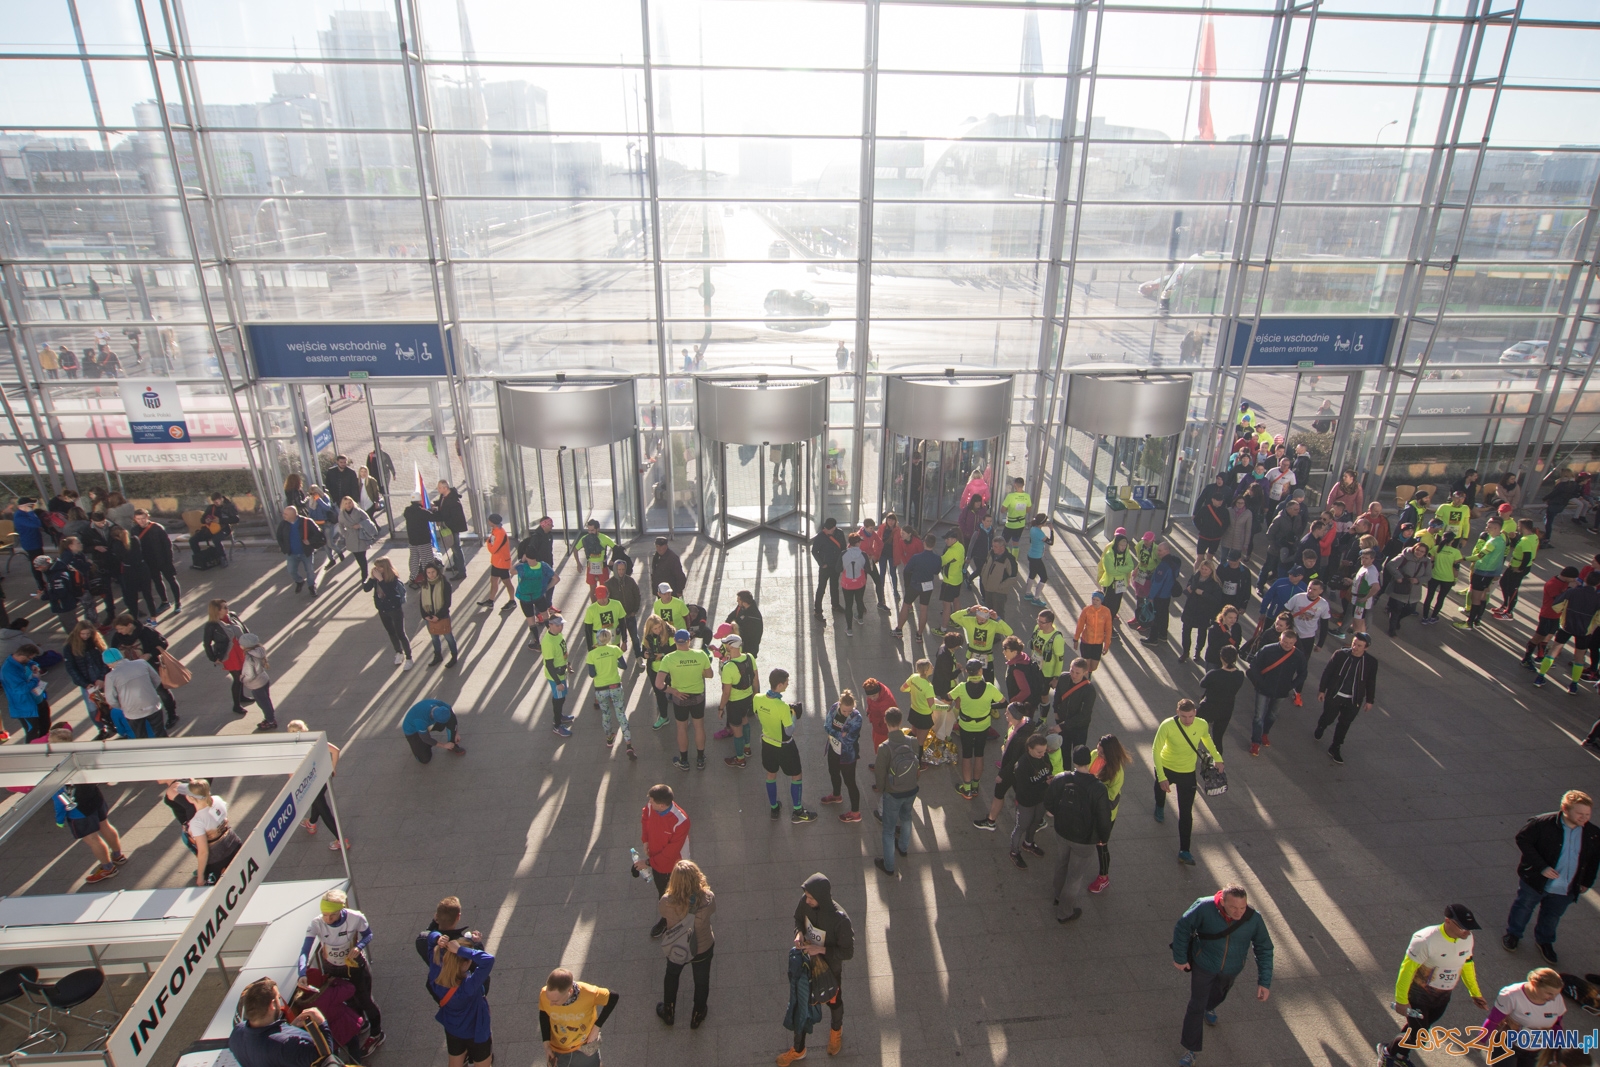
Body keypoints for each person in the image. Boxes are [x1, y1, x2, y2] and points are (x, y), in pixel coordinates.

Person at [1170, 884, 1274, 1066]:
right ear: (1222, 901)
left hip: (1232, 968)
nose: (1239, 912)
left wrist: (1264, 982)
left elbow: (1264, 948)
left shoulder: (1254, 919)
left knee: (1220, 993)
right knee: (1196, 1005)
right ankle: (1191, 1049)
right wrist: (1179, 957)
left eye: (1242, 907)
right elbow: (1183, 927)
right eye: (1234, 907)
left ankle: (1209, 1006)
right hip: (1204, 964)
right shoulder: (1204, 906)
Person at [1375, 904, 1486, 1067]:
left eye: (1470, 928)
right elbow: (1407, 970)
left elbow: (1467, 964)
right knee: (1419, 1036)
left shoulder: (1467, 939)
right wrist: (1401, 1000)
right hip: (1419, 997)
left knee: (1418, 1029)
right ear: (1448, 921)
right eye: (1463, 928)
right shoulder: (1425, 940)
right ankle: (1387, 1055)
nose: (1468, 932)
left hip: (1443, 997)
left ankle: (1397, 1054)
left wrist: (1474, 992)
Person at [1503, 790, 1599, 964]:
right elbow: (1523, 839)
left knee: (1552, 915)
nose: (1584, 818)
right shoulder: (1541, 823)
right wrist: (1542, 867)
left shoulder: (1593, 833)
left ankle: (1544, 941)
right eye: (1579, 813)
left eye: (1587, 814)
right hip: (1536, 881)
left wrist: (1586, 882)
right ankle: (1513, 934)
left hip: (1567, 887)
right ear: (1565, 809)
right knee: (1523, 907)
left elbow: (1593, 860)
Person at [776, 873, 852, 1064]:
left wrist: (822, 949)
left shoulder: (840, 920)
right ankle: (798, 1049)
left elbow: (848, 952)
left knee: (834, 1001)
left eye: (810, 897)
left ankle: (836, 1032)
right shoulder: (805, 902)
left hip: (829, 970)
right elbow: (797, 919)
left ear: (821, 898)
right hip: (806, 965)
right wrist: (799, 933)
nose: (806, 900)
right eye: (806, 896)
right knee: (801, 1005)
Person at [297, 889, 379, 1046]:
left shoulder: (355, 917)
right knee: (347, 1000)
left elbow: (368, 934)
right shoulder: (316, 923)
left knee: (365, 1000)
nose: (327, 919)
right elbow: (304, 950)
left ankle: (376, 1033)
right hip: (332, 968)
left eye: (332, 915)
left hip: (355, 966)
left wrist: (359, 947)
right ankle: (361, 1023)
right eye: (324, 915)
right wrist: (301, 972)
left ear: (341, 910)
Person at [1152, 699, 1223, 865]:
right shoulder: (1167, 725)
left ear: (1195, 713)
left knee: (1185, 812)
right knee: (1159, 791)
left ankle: (1184, 850)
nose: (1187, 721)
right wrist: (1162, 777)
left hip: (1187, 773)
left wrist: (1218, 758)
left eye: (1191, 716)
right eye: (1183, 716)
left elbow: (1206, 739)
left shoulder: (1202, 724)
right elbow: (1156, 749)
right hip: (1167, 767)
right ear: (1177, 713)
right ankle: (1160, 806)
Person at [1045, 745, 1111, 923]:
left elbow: (1049, 802)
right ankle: (1065, 912)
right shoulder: (1098, 788)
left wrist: (1057, 814)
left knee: (1061, 864)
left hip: (1062, 831)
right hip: (1085, 839)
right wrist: (1103, 838)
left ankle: (1058, 897)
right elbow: (1104, 817)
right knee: (1075, 876)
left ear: (1074, 761)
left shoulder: (1061, 779)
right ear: (1089, 762)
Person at [656, 860, 715, 1030]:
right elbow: (713, 910)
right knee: (702, 981)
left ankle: (668, 1011)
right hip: (702, 947)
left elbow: (662, 913)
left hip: (677, 947)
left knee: (672, 975)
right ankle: (697, 1014)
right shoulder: (707, 897)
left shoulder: (666, 901)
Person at [425, 929, 496, 1067]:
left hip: (453, 1029)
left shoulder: (436, 976)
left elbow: (429, 938)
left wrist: (438, 938)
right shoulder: (468, 988)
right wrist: (461, 950)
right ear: (465, 964)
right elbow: (488, 960)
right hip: (477, 1033)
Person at [756, 668, 816, 823]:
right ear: (780, 684)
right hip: (785, 747)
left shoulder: (757, 698)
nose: (788, 685)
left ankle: (774, 807)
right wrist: (794, 714)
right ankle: (798, 812)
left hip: (767, 743)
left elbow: (758, 715)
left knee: (771, 774)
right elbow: (789, 731)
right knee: (796, 775)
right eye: (787, 683)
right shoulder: (782, 707)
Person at [229, 977, 328, 1067]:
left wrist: (290, 1028)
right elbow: (325, 1060)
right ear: (272, 1005)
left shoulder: (236, 1034)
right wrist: (322, 1023)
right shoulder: (286, 1045)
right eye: (278, 998)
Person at [976, 701, 1040, 833]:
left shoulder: (1018, 737)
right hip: (1020, 770)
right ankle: (1037, 820)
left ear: (1015, 716)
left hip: (1010, 771)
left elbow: (1012, 759)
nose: (1005, 714)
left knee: (998, 794)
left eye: (1008, 713)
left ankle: (991, 821)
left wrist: (1002, 775)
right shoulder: (1025, 725)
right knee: (1022, 795)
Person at [1314, 634, 1378, 764]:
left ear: (1366, 648)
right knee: (1329, 717)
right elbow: (1328, 672)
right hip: (1335, 695)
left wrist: (1370, 700)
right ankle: (1322, 725)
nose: (1355, 647)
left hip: (1354, 699)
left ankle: (1335, 747)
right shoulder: (1340, 655)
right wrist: (1322, 690)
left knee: (1345, 723)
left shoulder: (1371, 662)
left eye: (1359, 645)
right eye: (1354, 643)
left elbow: (1371, 682)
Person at [286, 722, 350, 851]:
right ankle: (311, 823)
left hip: (309, 784)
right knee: (318, 802)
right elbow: (336, 751)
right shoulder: (316, 740)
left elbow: (292, 775)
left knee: (324, 810)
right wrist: (332, 768)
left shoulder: (291, 750)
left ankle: (342, 840)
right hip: (323, 777)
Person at [1484, 968, 1568, 1067]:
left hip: (1534, 1050)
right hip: (1507, 1045)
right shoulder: (1511, 995)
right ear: (1534, 983)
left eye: (1556, 994)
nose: (1553, 998)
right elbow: (1493, 1019)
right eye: (1549, 993)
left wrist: (1556, 1050)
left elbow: (1557, 1024)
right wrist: (1481, 1039)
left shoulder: (1556, 999)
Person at [657, 628, 714, 771]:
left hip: (680, 698)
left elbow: (659, 684)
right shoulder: (700, 655)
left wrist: (674, 691)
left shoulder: (668, 658)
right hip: (698, 697)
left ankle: (684, 761)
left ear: (675, 641)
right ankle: (700, 759)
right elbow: (709, 675)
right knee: (699, 727)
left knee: (681, 729)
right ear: (689, 641)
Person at [637, 783, 691, 932]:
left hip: (674, 865)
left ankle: (675, 919)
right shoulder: (651, 807)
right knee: (663, 893)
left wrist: (647, 862)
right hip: (658, 863)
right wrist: (646, 840)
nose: (649, 803)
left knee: (674, 893)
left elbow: (670, 853)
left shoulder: (681, 821)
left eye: (652, 801)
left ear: (661, 805)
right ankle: (668, 917)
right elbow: (645, 820)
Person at [873, 709, 921, 876]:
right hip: (911, 789)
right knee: (907, 817)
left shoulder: (884, 747)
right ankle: (903, 847)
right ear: (900, 722)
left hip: (893, 792)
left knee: (888, 829)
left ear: (886, 722)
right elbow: (917, 763)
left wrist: (883, 788)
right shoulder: (912, 741)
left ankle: (889, 866)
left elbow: (879, 774)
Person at [1245, 628, 1306, 757]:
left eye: (1290, 643)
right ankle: (1256, 742)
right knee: (1258, 717)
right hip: (1263, 688)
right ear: (1280, 639)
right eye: (1285, 642)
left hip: (1281, 691)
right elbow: (1254, 665)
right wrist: (1261, 682)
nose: (1287, 645)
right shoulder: (1268, 649)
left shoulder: (1298, 655)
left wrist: (1291, 686)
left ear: (1295, 642)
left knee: (1273, 715)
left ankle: (1264, 733)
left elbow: (1303, 674)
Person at [53, 781, 128, 884]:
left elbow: (60, 801)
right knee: (105, 826)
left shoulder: (55, 777)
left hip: (79, 811)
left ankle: (108, 869)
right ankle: (118, 856)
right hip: (96, 798)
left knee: (92, 839)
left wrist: (59, 820)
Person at [540, 968, 616, 1067]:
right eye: (549, 998)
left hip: (584, 1048)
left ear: (570, 991)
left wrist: (596, 1027)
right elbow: (544, 1015)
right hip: (558, 1050)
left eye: (555, 1001)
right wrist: (546, 1046)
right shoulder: (544, 994)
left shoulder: (589, 993)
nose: (551, 1003)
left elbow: (613, 997)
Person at [951, 658, 1004, 799]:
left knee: (967, 755)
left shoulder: (961, 687)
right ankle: (975, 787)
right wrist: (988, 706)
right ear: (980, 671)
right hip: (983, 726)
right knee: (979, 754)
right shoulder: (990, 688)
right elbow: (1004, 702)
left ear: (967, 672)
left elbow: (948, 697)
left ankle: (966, 788)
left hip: (966, 726)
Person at [1087, 734, 1131, 893]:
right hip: (1089, 807)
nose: (1098, 753)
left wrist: (1092, 787)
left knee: (1101, 844)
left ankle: (1103, 877)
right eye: (1098, 749)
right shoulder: (1093, 754)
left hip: (1104, 814)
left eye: (1102, 752)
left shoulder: (1117, 772)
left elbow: (1110, 797)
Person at [185, 778, 243, 885]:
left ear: (190, 798)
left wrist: (201, 876)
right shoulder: (217, 799)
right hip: (234, 844)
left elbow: (203, 852)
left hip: (218, 858)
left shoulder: (197, 821)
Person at [103, 646, 166, 738]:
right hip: (153, 704)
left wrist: (122, 706)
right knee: (160, 732)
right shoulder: (142, 663)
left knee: (140, 737)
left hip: (132, 711)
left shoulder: (110, 676)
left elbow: (110, 699)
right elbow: (156, 679)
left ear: (109, 663)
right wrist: (150, 691)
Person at [820, 691, 864, 822]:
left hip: (848, 754)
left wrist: (836, 734)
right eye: (844, 711)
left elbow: (850, 739)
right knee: (833, 772)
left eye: (849, 711)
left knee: (850, 782)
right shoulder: (834, 708)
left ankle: (855, 813)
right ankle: (836, 795)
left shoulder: (857, 717)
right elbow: (826, 726)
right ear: (840, 704)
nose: (846, 714)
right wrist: (841, 733)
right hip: (834, 749)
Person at [362, 558, 412, 670]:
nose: (377, 569)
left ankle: (409, 657)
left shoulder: (392, 578)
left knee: (400, 633)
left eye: (379, 567)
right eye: (376, 567)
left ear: (385, 567)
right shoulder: (376, 579)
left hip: (394, 609)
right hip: (383, 610)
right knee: (391, 632)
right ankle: (399, 652)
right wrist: (371, 578)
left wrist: (381, 580)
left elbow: (391, 594)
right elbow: (366, 589)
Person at [1196, 645, 1245, 753]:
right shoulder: (1240, 675)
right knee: (1218, 738)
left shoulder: (1214, 674)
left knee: (1193, 729)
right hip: (1226, 709)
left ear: (1221, 657)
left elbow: (1202, 684)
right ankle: (1217, 762)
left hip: (1209, 706)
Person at [892, 533, 941, 639]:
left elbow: (907, 570)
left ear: (924, 543)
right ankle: (919, 635)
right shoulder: (937, 558)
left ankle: (899, 630)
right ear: (934, 544)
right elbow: (937, 572)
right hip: (928, 585)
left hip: (915, 584)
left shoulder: (916, 557)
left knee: (906, 606)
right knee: (924, 609)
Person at [132, 509, 180, 612]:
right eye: (138, 519)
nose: (141, 521)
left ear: (147, 517)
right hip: (149, 561)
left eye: (143, 518)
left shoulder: (157, 528)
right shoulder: (134, 530)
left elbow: (167, 546)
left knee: (171, 580)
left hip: (163, 559)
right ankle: (164, 602)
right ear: (135, 519)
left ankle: (178, 603)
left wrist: (169, 561)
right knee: (157, 581)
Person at [2, 642, 51, 742]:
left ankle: (42, 746)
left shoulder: (22, 662)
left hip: (38, 700)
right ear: (22, 655)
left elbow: (30, 663)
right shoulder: (9, 671)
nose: (31, 660)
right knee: (33, 732)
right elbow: (21, 689)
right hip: (25, 706)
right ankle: (32, 752)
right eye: (30, 658)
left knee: (45, 726)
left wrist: (33, 664)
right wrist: (35, 679)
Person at [1493, 518, 1541, 618]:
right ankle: (1505, 605)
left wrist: (1520, 568)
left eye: (1519, 526)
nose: (1517, 528)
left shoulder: (1526, 541)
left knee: (1513, 589)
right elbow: (1521, 547)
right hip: (1514, 564)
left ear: (1523, 527)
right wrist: (1514, 538)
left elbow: (1527, 556)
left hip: (1518, 567)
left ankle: (1509, 612)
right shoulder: (1533, 537)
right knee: (1504, 582)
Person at [109, 524, 159, 619]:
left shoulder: (117, 545)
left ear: (115, 537)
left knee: (132, 597)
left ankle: (135, 618)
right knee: (148, 594)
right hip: (142, 568)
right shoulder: (135, 539)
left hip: (129, 571)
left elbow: (119, 558)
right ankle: (153, 615)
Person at [512, 551, 559, 649]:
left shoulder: (522, 567)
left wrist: (522, 560)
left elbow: (511, 571)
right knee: (546, 615)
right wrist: (547, 588)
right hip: (539, 595)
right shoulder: (543, 566)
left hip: (525, 598)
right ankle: (554, 637)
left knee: (531, 620)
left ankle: (536, 642)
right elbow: (556, 578)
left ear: (527, 557)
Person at [1180, 558, 1222, 663]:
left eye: (1206, 569)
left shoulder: (1214, 584)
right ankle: (1185, 652)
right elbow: (1187, 590)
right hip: (1190, 609)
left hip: (1203, 612)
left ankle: (1198, 651)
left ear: (1211, 571)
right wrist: (1188, 590)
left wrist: (1203, 593)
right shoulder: (1195, 577)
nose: (1203, 571)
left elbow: (1216, 600)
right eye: (1202, 569)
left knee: (1202, 632)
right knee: (1185, 631)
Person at [276, 505, 323, 598]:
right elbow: (279, 537)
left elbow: (318, 534)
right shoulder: (283, 524)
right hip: (291, 553)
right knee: (291, 570)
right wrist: (284, 548)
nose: (283, 515)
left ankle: (311, 586)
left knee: (309, 570)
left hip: (306, 552)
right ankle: (299, 581)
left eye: (286, 514)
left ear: (293, 515)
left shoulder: (307, 522)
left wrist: (310, 541)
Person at [1051, 657, 1098, 752]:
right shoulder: (1063, 678)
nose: (1073, 675)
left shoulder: (1089, 690)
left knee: (1079, 752)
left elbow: (1084, 715)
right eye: (1072, 671)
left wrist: (1062, 726)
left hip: (1079, 728)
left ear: (1085, 673)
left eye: (1077, 673)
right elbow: (1057, 696)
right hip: (1063, 721)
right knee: (1064, 751)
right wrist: (1056, 711)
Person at [1385, 541, 1431, 637]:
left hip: (1414, 591)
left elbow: (1428, 576)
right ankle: (1391, 630)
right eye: (1417, 550)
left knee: (1410, 609)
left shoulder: (1427, 562)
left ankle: (1397, 620)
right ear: (1414, 548)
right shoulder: (1404, 556)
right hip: (1400, 587)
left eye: (1422, 552)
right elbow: (1390, 565)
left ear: (1425, 553)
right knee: (1396, 610)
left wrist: (1418, 580)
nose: (1419, 552)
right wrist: (1398, 576)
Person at [418, 561, 459, 669]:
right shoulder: (424, 584)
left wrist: (438, 616)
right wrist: (425, 615)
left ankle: (454, 656)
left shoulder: (444, 584)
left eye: (433, 572)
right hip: (429, 616)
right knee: (434, 637)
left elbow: (447, 603)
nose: (431, 574)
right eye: (428, 572)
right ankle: (437, 656)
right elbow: (421, 601)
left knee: (448, 637)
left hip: (442, 615)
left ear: (437, 572)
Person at [1141, 543, 1182, 646]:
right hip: (1167, 595)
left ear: (1166, 550)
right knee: (1164, 615)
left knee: (1156, 617)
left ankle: (1153, 639)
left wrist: (1151, 596)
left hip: (1159, 595)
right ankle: (1163, 635)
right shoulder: (1174, 562)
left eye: (1160, 551)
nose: (1157, 553)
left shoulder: (1163, 566)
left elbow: (1157, 583)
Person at [542, 614, 576, 736]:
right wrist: (557, 683)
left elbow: (562, 651)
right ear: (550, 625)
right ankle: (557, 725)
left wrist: (567, 664)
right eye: (557, 625)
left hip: (562, 672)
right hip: (556, 676)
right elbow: (549, 665)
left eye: (561, 624)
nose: (560, 627)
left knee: (560, 698)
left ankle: (559, 716)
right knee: (559, 699)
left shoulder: (557, 634)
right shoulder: (548, 642)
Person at [238, 633, 279, 732]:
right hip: (264, 679)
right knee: (266, 700)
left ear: (245, 646)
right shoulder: (259, 651)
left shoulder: (249, 658)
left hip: (256, 684)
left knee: (263, 703)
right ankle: (270, 716)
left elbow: (250, 675)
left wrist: (242, 679)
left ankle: (270, 721)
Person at [334, 498, 379, 583]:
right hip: (351, 538)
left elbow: (368, 520)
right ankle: (364, 573)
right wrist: (345, 534)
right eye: (346, 503)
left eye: (350, 503)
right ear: (343, 505)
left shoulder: (358, 511)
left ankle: (364, 575)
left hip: (361, 536)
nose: (348, 505)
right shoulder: (342, 514)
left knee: (362, 557)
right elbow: (340, 525)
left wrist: (360, 525)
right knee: (358, 557)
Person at [1096, 529, 1137, 620]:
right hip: (1110, 582)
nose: (1123, 547)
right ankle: (1105, 619)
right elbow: (1109, 570)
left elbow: (1130, 566)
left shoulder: (1126, 551)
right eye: (1121, 545)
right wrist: (1123, 570)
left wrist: (1118, 569)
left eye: (1124, 545)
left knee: (1117, 602)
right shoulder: (1109, 552)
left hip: (1121, 582)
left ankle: (1112, 616)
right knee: (1108, 601)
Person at [810, 518, 846, 621]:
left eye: (829, 529)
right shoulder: (820, 536)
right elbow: (814, 551)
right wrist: (822, 564)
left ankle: (835, 605)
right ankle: (818, 611)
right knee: (821, 588)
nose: (826, 530)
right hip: (825, 567)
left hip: (836, 565)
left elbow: (843, 548)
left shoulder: (839, 534)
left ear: (834, 528)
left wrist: (841, 563)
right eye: (825, 528)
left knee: (834, 586)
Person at [433, 481, 470, 578]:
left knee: (456, 548)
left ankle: (462, 571)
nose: (438, 489)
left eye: (440, 488)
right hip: (449, 526)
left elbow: (448, 515)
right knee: (453, 547)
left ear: (445, 488)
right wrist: (435, 504)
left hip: (452, 527)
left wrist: (437, 517)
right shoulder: (444, 496)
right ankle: (456, 565)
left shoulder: (453, 501)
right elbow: (441, 504)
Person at [607, 559, 642, 653]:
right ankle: (617, 659)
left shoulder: (630, 581)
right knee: (615, 640)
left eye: (623, 569)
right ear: (615, 569)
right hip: (617, 619)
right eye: (619, 569)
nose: (621, 571)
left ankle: (638, 656)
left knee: (635, 638)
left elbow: (637, 595)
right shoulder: (609, 584)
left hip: (630, 615)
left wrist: (635, 611)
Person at [402, 493, 438, 584]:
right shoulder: (423, 512)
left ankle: (413, 576)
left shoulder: (407, 511)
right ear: (419, 501)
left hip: (412, 540)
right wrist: (434, 510)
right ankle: (429, 576)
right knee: (427, 559)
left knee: (414, 558)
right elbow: (432, 517)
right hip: (423, 540)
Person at [1074, 590, 1113, 671]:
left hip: (1098, 643)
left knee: (1094, 667)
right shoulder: (1086, 610)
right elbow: (1080, 625)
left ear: (1101, 601)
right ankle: (1087, 680)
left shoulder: (1106, 611)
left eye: (1097, 600)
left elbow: (1108, 629)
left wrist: (1106, 645)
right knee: (1086, 666)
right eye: (1093, 599)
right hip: (1086, 642)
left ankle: (1088, 676)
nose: (1094, 602)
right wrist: (1076, 639)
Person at [575, 518, 615, 592]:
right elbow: (575, 549)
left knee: (604, 589)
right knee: (592, 589)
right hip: (590, 567)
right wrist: (578, 563)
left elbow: (615, 548)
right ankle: (594, 603)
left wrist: (612, 560)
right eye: (589, 530)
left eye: (592, 530)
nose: (590, 532)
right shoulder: (585, 538)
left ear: (598, 529)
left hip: (603, 567)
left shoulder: (604, 538)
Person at [724, 589, 764, 656]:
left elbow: (746, 635)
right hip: (739, 645)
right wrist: (725, 626)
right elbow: (733, 615)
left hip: (748, 650)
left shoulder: (753, 618)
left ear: (745, 603)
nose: (737, 601)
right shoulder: (741, 607)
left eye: (739, 600)